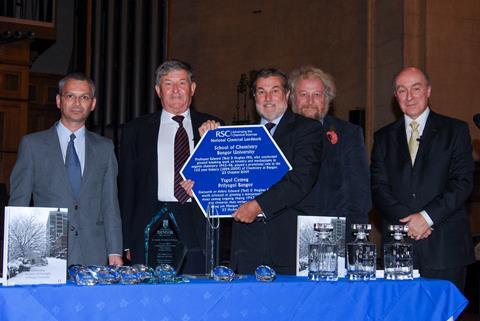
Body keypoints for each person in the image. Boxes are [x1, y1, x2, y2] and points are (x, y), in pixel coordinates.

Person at [371, 67, 475, 291]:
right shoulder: (383, 137)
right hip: (398, 248)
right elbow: (378, 187)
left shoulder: (455, 130)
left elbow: (462, 182)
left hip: (445, 248)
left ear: (428, 90)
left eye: (416, 88)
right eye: (402, 90)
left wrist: (426, 218)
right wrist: (410, 223)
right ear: (395, 96)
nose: (409, 97)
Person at [118, 59, 223, 274]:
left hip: (197, 224)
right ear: (158, 90)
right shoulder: (134, 130)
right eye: (168, 84)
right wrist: (126, 241)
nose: (176, 90)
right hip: (150, 223)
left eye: (182, 83)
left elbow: (227, 181)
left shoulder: (213, 127)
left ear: (193, 88)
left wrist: (215, 141)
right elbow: (126, 188)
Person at [9, 73, 123, 266]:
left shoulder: (105, 148)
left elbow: (110, 203)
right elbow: (18, 203)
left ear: (93, 104)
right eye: (70, 96)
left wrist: (114, 250)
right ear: (59, 101)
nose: (77, 102)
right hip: (44, 253)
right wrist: (16, 256)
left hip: (93, 251)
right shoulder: (32, 145)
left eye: (84, 97)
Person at [228, 68, 323, 274]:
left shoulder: (308, 129)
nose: (268, 98)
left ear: (287, 94)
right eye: (261, 91)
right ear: (254, 97)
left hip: (287, 243)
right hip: (246, 246)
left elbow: (301, 180)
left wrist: (257, 205)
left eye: (275, 91)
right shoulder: (240, 134)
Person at [289, 66, 370, 242]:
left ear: (328, 98)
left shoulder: (349, 134)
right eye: (303, 94)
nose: (310, 101)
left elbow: (359, 193)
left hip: (336, 233)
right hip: (288, 235)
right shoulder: (280, 134)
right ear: (292, 98)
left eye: (317, 94)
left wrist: (357, 238)